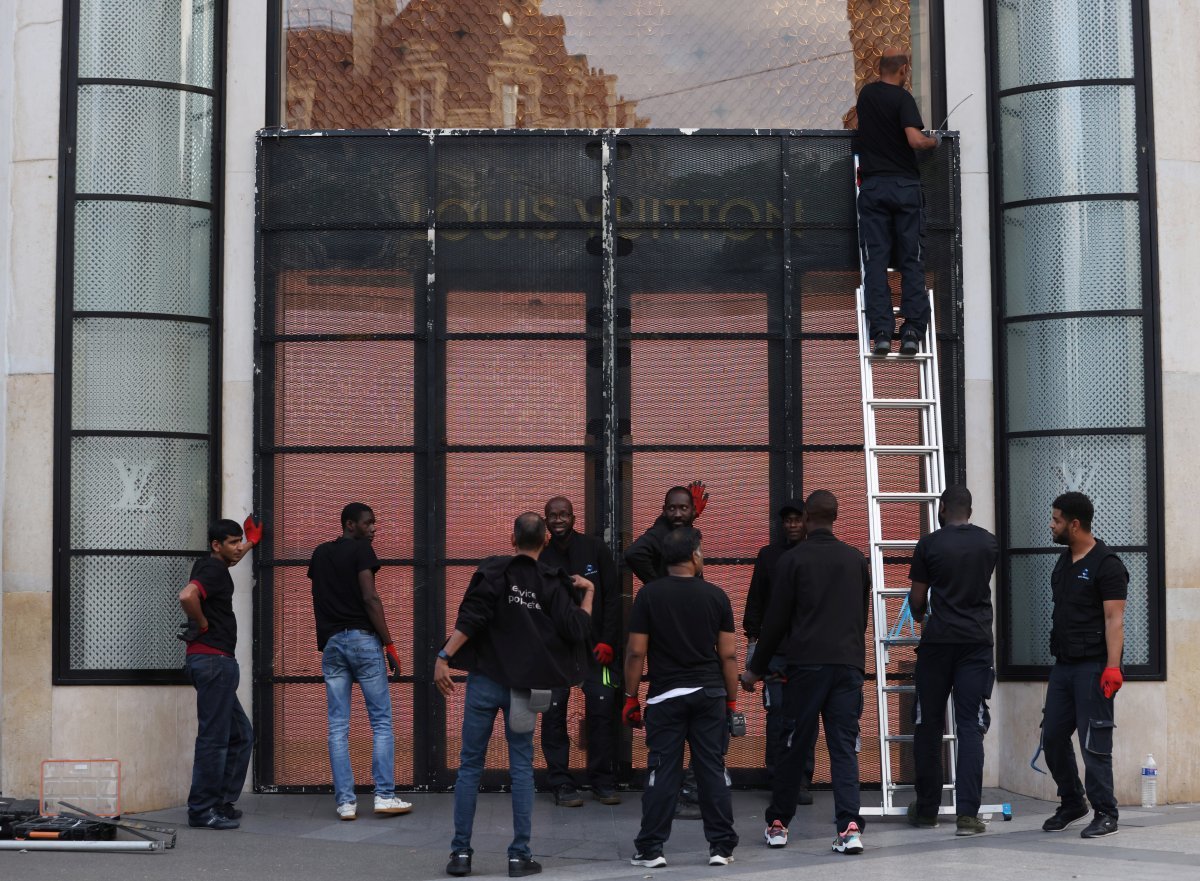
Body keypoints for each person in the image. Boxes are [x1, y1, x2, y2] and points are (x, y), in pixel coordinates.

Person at [435, 513, 595, 878]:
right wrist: (590, 594)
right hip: (526, 688)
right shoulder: (554, 582)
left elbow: (471, 619)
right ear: (544, 543)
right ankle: (519, 856)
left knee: (470, 765)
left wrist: (444, 656)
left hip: (484, 683)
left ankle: (461, 855)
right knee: (521, 767)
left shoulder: (494, 572)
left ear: (512, 539)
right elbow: (576, 629)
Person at [740, 490, 870, 855]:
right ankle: (848, 827)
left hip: (806, 667)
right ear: (836, 516)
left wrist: (755, 670)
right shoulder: (856, 560)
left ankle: (779, 824)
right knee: (844, 747)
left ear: (809, 518)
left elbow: (776, 623)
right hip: (847, 666)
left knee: (793, 745)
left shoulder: (793, 561)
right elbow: (860, 617)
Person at [623, 526, 740, 868]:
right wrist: (730, 702)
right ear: (694, 556)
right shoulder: (717, 597)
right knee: (711, 771)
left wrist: (630, 697)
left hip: (665, 697)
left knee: (663, 772)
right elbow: (729, 656)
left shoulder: (648, 596)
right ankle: (721, 847)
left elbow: (635, 652)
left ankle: (651, 849)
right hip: (709, 695)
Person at [308, 503, 413, 821]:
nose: (374, 528)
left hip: (333, 645)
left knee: (337, 726)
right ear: (349, 524)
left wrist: (324, 640)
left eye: (374, 522)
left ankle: (346, 803)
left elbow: (317, 598)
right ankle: (384, 796)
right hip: (363, 641)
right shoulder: (361, 551)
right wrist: (389, 643)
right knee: (381, 722)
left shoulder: (320, 554)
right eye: (368, 523)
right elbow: (370, 598)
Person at [905, 486, 999, 835]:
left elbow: (917, 601)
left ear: (942, 508)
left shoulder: (928, 544)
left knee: (927, 725)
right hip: (975, 644)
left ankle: (927, 810)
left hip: (938, 644)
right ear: (970, 511)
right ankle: (967, 816)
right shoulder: (988, 544)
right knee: (970, 726)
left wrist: (922, 615)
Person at [1040, 492, 1127, 839]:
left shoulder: (1107, 564)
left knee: (1094, 743)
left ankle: (1106, 812)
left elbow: (1114, 620)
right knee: (1052, 738)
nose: (1052, 524)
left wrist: (1113, 667)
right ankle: (1073, 800)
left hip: (1093, 667)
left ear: (1075, 524)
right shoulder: (1064, 562)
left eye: (1057, 519)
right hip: (1064, 666)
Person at [624, 482, 708, 819]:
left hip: (693, 629)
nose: (677, 514)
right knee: (672, 722)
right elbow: (633, 554)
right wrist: (660, 584)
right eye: (671, 508)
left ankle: (685, 786)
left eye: (683, 509)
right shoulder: (659, 533)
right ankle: (670, 789)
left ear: (693, 511)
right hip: (671, 638)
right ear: (662, 510)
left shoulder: (690, 534)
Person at [854, 46, 941, 357]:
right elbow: (915, 140)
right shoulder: (903, 99)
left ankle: (880, 332)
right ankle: (912, 331)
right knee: (911, 260)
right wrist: (935, 140)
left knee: (875, 262)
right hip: (904, 188)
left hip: (874, 188)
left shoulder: (866, 96)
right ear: (903, 69)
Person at [538, 496, 622, 807]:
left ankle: (602, 781)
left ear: (574, 518)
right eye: (552, 516)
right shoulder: (541, 557)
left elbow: (612, 598)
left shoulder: (595, 548)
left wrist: (608, 641)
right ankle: (561, 783)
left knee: (601, 710)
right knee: (554, 713)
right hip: (558, 653)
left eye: (564, 515)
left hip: (596, 649)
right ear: (546, 521)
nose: (558, 520)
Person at [177, 516, 259, 830]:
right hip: (214, 663)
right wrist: (204, 623)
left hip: (213, 663)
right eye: (233, 542)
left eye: (241, 541)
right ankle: (201, 810)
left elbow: (232, 557)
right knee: (214, 740)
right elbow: (187, 596)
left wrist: (252, 543)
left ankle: (220, 803)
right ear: (215, 545)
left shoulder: (212, 567)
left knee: (241, 735)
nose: (239, 548)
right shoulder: (213, 569)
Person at [743, 499, 813, 793]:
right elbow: (755, 601)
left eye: (797, 519)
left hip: (809, 650)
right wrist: (752, 645)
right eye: (788, 520)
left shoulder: (815, 555)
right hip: (775, 653)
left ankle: (801, 781)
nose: (792, 525)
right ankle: (777, 779)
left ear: (807, 522)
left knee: (806, 715)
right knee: (777, 714)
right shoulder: (768, 555)